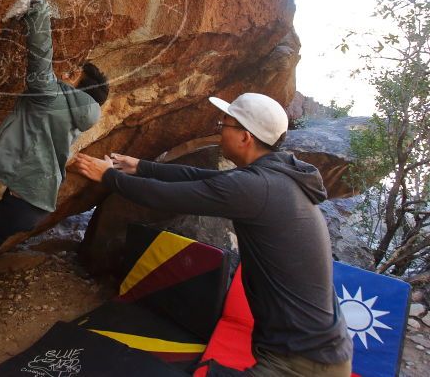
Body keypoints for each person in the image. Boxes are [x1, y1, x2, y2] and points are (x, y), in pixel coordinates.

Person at [70, 93, 353, 377]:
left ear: (245, 138)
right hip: (318, 351)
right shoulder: (275, 180)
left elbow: (166, 197)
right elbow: (198, 177)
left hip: (303, 363)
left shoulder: (256, 188)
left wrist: (108, 176)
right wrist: (140, 166)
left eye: (224, 125)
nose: (219, 131)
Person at [0, 0, 110, 254]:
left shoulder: (52, 98)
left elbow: (40, 56)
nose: (66, 72)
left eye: (72, 74)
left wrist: (38, 3)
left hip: (21, 206)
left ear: (80, 88)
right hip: (37, 204)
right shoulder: (77, 115)